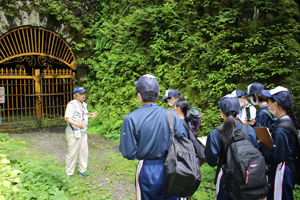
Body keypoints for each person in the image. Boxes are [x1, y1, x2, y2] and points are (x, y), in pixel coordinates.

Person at [119, 74, 188, 200]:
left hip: (147, 169)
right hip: (172, 167)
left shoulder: (131, 118)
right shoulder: (172, 115)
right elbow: (183, 140)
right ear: (158, 93)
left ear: (139, 95)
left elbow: (129, 153)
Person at [205, 94, 258, 200]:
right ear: (239, 111)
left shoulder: (216, 133)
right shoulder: (249, 130)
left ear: (221, 111)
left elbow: (211, 161)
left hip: (226, 178)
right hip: (247, 176)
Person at [259, 86, 299, 200]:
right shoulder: (287, 121)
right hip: (286, 170)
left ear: (276, 104)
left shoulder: (281, 130)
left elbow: (275, 157)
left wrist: (262, 145)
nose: (267, 103)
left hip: (281, 172)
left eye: (269, 101)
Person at [64, 87, 98, 179]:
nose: (83, 95)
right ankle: (69, 173)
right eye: (81, 94)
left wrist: (89, 116)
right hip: (73, 132)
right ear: (75, 95)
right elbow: (67, 118)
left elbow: (82, 116)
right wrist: (77, 124)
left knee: (84, 151)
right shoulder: (72, 104)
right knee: (72, 153)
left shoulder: (84, 105)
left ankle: (82, 170)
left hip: (83, 133)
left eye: (84, 93)